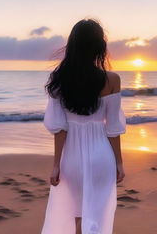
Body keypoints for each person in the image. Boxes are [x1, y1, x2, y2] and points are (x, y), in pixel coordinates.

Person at [40, 18, 126, 234]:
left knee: (76, 215)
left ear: (72, 45)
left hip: (71, 158)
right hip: (101, 155)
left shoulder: (59, 79)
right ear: (100, 46)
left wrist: (56, 164)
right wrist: (119, 162)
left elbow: (60, 128)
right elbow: (113, 128)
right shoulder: (112, 79)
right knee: (96, 214)